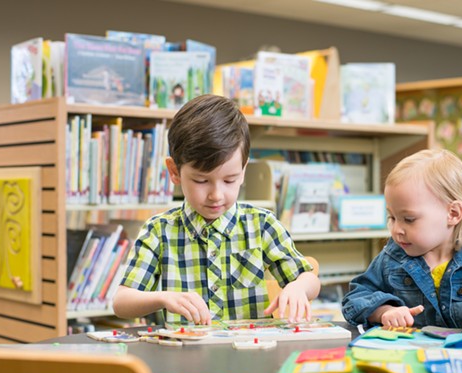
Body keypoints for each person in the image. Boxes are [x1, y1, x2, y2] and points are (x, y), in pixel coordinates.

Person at [113, 94, 320, 325]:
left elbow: (310, 279)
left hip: (249, 357)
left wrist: (298, 287)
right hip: (185, 357)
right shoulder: (159, 231)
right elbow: (121, 302)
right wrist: (163, 298)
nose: (216, 195)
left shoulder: (261, 225)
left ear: (243, 169)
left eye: (229, 180)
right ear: (174, 171)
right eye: (201, 181)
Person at [342, 149, 462, 338]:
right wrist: (383, 311)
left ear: (453, 214)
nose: (396, 229)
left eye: (409, 219)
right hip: (408, 359)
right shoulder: (389, 260)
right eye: (392, 217)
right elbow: (355, 299)